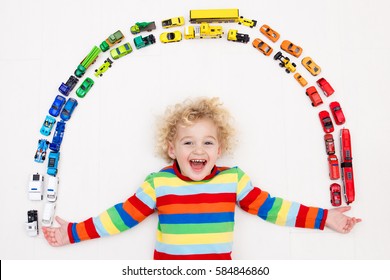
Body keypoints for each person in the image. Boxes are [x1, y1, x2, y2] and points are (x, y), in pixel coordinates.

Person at [42, 96, 361, 260]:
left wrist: (324, 218)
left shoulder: (233, 181)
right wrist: (72, 233)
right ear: (172, 149)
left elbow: (273, 207)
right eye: (188, 142)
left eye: (207, 142)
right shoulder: (159, 184)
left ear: (220, 149)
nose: (198, 149)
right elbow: (120, 217)